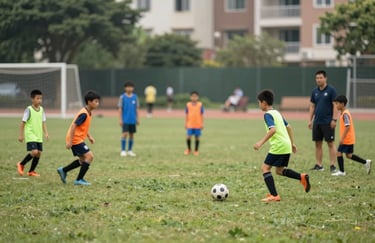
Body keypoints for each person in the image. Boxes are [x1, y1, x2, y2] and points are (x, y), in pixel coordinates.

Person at [253, 90, 310, 202]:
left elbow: (273, 130)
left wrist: (260, 142)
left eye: (259, 102)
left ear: (264, 102)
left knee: (265, 168)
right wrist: (292, 143)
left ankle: (274, 195)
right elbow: (289, 126)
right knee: (279, 170)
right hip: (286, 145)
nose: (259, 105)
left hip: (278, 146)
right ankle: (301, 177)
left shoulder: (268, 115)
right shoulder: (277, 113)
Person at [57, 91, 101, 186]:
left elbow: (83, 127)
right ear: (89, 102)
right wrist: (70, 142)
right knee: (89, 156)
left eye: (98, 101)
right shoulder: (84, 113)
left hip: (78, 139)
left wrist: (89, 137)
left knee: (82, 160)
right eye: (96, 101)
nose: (98, 103)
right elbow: (74, 126)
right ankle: (79, 179)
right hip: (76, 139)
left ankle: (63, 170)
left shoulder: (88, 113)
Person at [331, 95, 372, 176]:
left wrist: (342, 138)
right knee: (349, 155)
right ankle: (366, 162)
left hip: (347, 139)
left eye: (337, 103)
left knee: (339, 153)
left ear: (342, 104)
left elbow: (347, 126)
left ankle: (342, 172)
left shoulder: (345, 114)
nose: (336, 105)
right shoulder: (344, 113)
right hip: (349, 138)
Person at [308, 70, 338, 172]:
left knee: (330, 143)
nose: (319, 80)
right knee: (318, 144)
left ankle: (333, 165)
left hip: (328, 122)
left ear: (325, 78)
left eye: (321, 78)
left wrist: (334, 119)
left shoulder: (331, 90)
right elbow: (312, 106)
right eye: (317, 78)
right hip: (317, 122)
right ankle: (319, 165)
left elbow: (335, 105)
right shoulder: (314, 92)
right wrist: (310, 120)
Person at [17, 89, 49, 177]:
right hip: (30, 134)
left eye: (41, 99)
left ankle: (31, 171)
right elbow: (23, 122)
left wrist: (46, 133)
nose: (39, 101)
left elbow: (43, 122)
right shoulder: (29, 109)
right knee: (34, 152)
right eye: (37, 98)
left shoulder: (42, 109)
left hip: (38, 135)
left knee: (38, 153)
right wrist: (21, 135)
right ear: (32, 99)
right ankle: (21, 164)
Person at [118, 81, 139, 157]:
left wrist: (137, 118)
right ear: (125, 88)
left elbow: (136, 109)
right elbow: (120, 109)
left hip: (132, 120)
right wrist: (120, 119)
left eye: (131, 87)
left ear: (133, 88)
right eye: (128, 87)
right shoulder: (122, 97)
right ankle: (123, 150)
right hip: (125, 119)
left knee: (132, 135)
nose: (129, 88)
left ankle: (130, 150)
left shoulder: (135, 97)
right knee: (125, 134)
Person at [184, 91, 204, 156]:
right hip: (190, 124)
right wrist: (186, 123)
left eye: (195, 96)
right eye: (193, 96)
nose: (194, 98)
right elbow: (186, 115)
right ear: (190, 97)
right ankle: (189, 149)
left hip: (197, 124)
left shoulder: (200, 105)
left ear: (198, 97)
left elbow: (202, 115)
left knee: (197, 137)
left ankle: (196, 150)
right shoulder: (188, 105)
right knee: (188, 137)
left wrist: (202, 124)